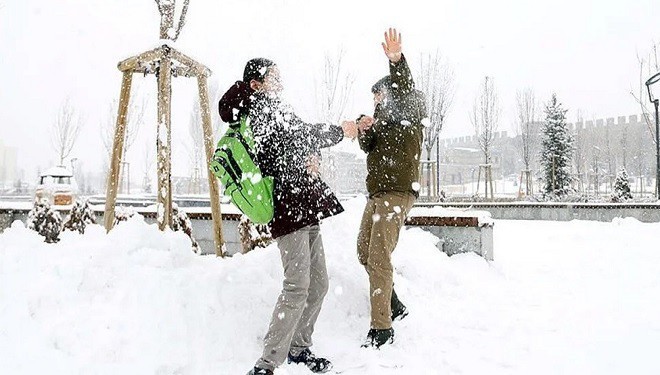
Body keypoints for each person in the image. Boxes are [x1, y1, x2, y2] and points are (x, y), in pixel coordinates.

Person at [218, 58, 358, 375]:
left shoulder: (276, 107)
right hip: (286, 206)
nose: (280, 82)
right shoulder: (259, 109)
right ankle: (267, 363)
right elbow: (296, 138)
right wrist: (338, 131)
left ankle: (298, 348)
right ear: (256, 84)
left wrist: (312, 157)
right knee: (297, 285)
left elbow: (297, 141)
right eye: (273, 77)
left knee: (319, 283)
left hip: (304, 202)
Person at [355, 28, 427, 348]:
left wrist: (396, 60)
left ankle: (382, 328)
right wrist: (363, 127)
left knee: (379, 256)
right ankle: (392, 301)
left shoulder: (409, 109)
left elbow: (405, 86)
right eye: (374, 98)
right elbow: (368, 146)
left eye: (379, 96)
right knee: (364, 251)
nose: (376, 101)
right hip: (378, 194)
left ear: (390, 92)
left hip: (397, 192)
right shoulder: (382, 122)